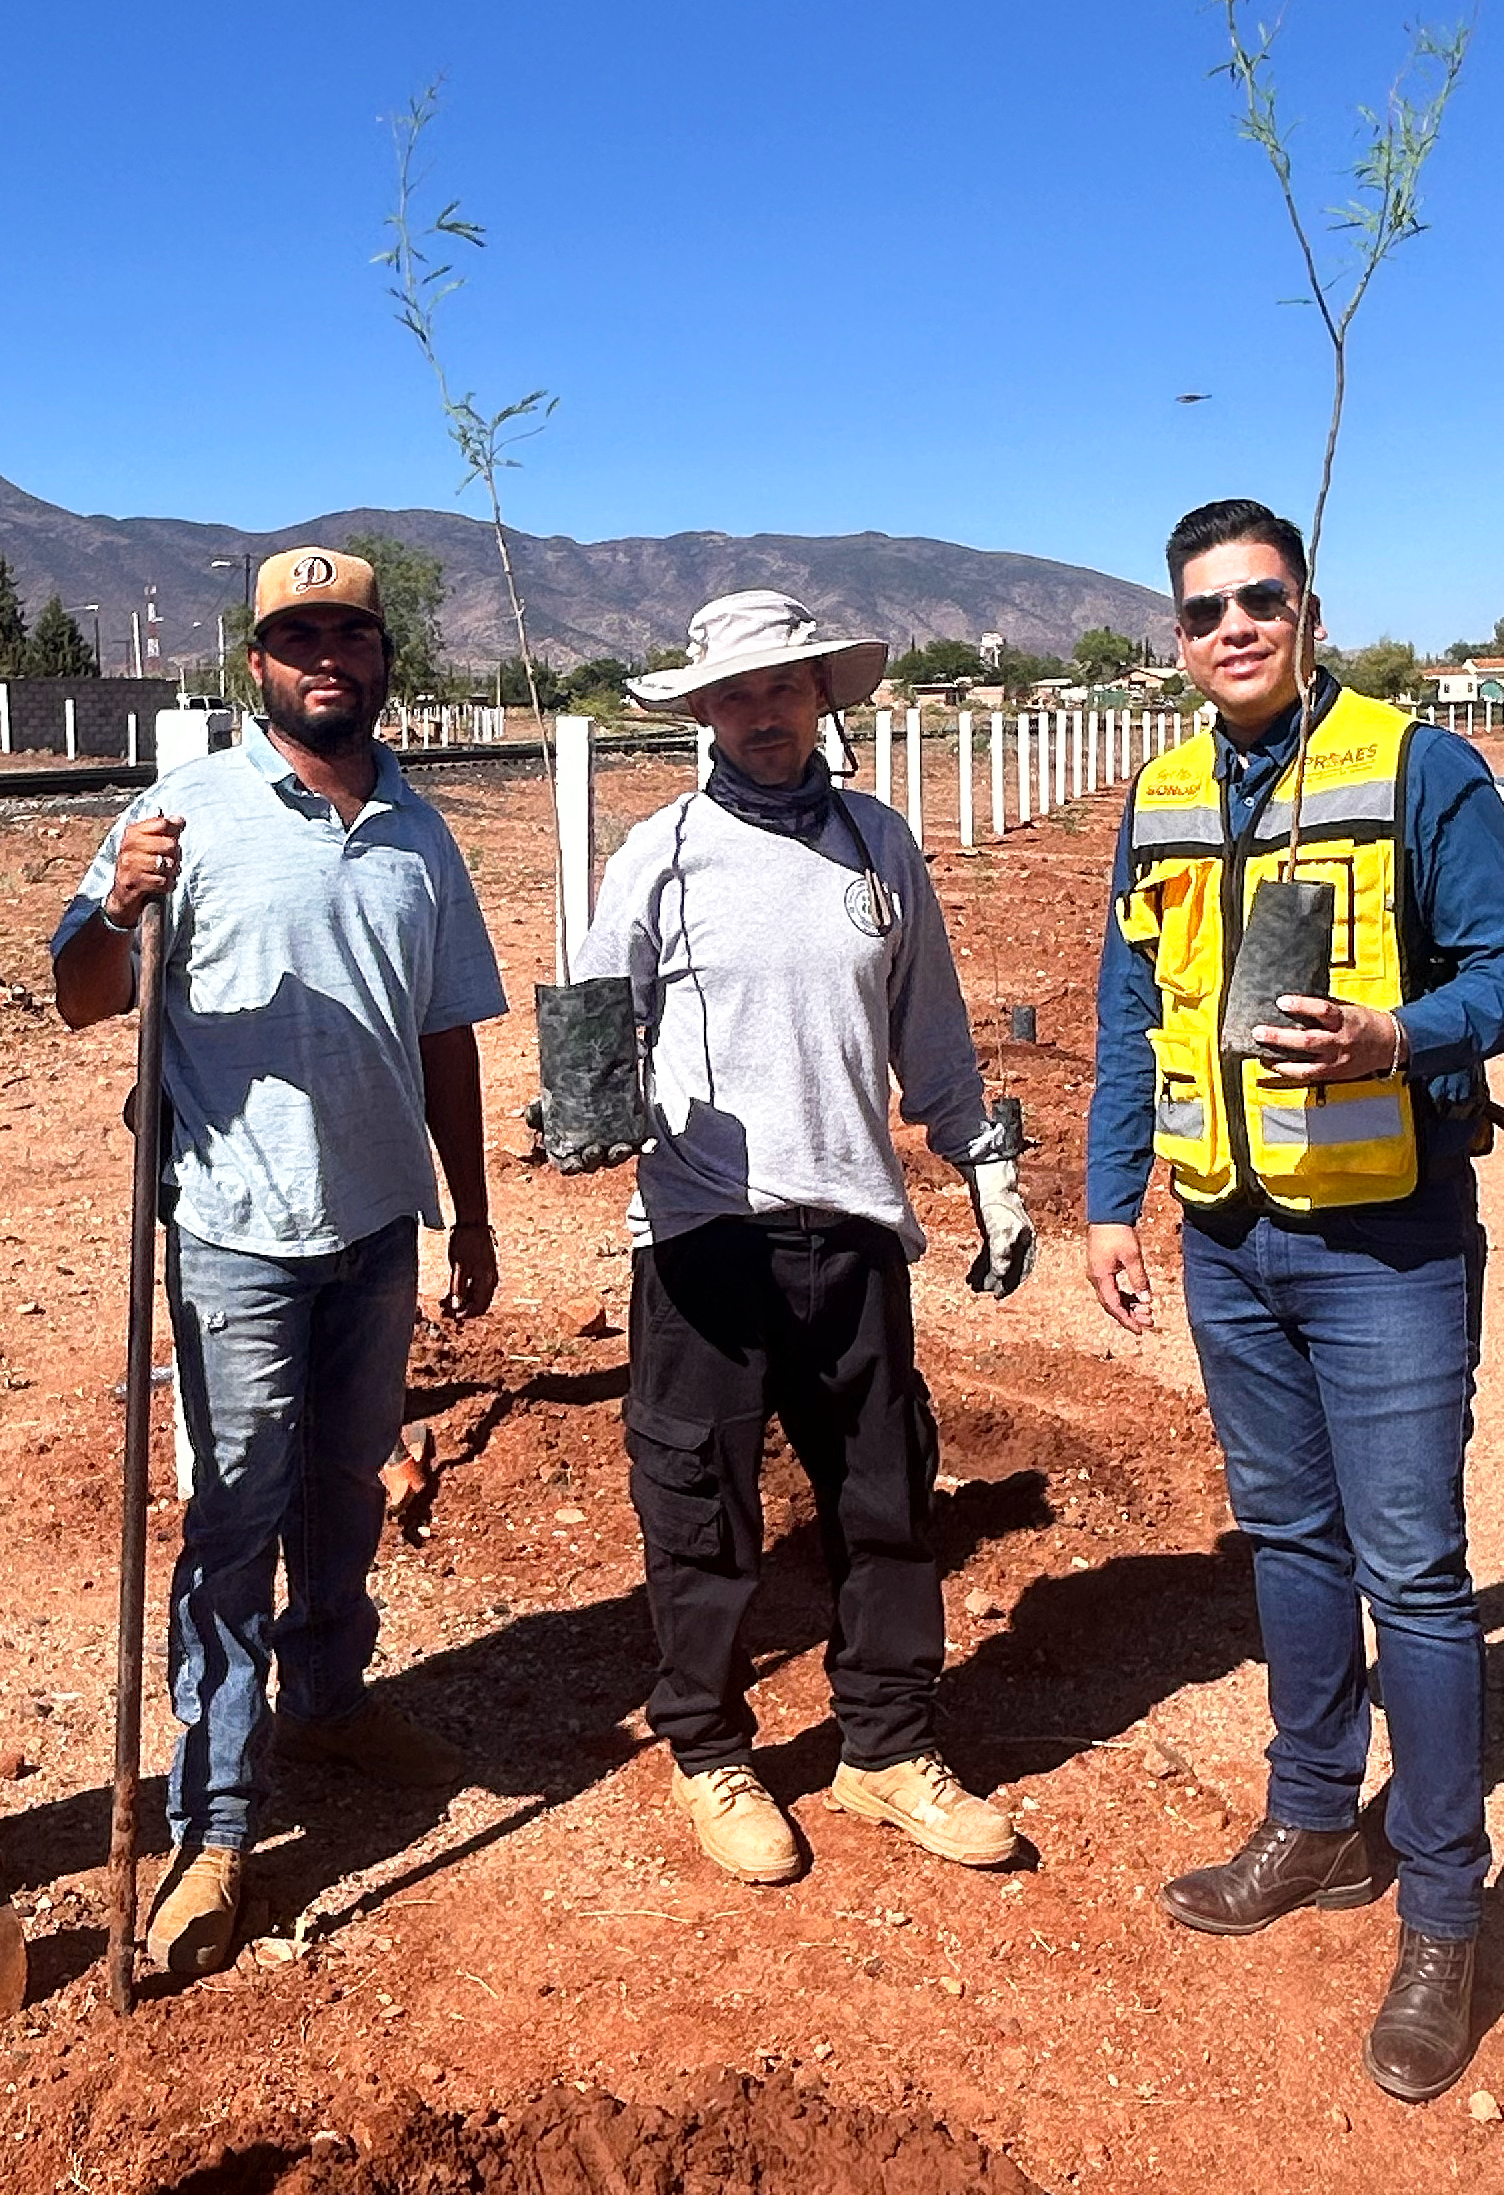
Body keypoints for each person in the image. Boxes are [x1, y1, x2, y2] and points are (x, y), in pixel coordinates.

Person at [1083, 497, 1504, 2101]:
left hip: (1386, 1241)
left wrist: (1394, 1037)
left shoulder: (1413, 765)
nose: (1233, 627)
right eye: (1204, 607)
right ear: (1175, 632)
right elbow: (1127, 1009)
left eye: (1260, 599)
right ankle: (1306, 1823)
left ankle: (1438, 1915)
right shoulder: (1154, 795)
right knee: (1288, 1541)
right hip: (1225, 1231)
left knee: (1413, 1574)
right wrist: (1102, 1203)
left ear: (1306, 609)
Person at [54, 548, 505, 1983]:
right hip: (235, 1236)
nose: (326, 659)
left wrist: (471, 1210)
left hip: (377, 1227)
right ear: (253, 664)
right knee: (232, 1519)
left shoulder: (420, 835)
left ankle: (329, 1694)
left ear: (381, 657)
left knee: (342, 1487)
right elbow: (74, 998)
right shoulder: (177, 815)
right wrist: (115, 906)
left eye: (349, 635)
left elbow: (447, 1037)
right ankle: (218, 1822)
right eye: (294, 638)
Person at [578, 591, 1037, 1888]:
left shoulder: (875, 844)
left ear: (820, 699)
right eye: (733, 695)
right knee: (700, 1512)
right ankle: (709, 1755)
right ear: (703, 715)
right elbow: (590, 1037)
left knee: (884, 1502)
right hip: (698, 1240)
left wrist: (985, 1168)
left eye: (782, 689)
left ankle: (885, 1749)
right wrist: (581, 1106)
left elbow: (931, 1034)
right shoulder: (654, 855)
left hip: (851, 1230)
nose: (760, 714)